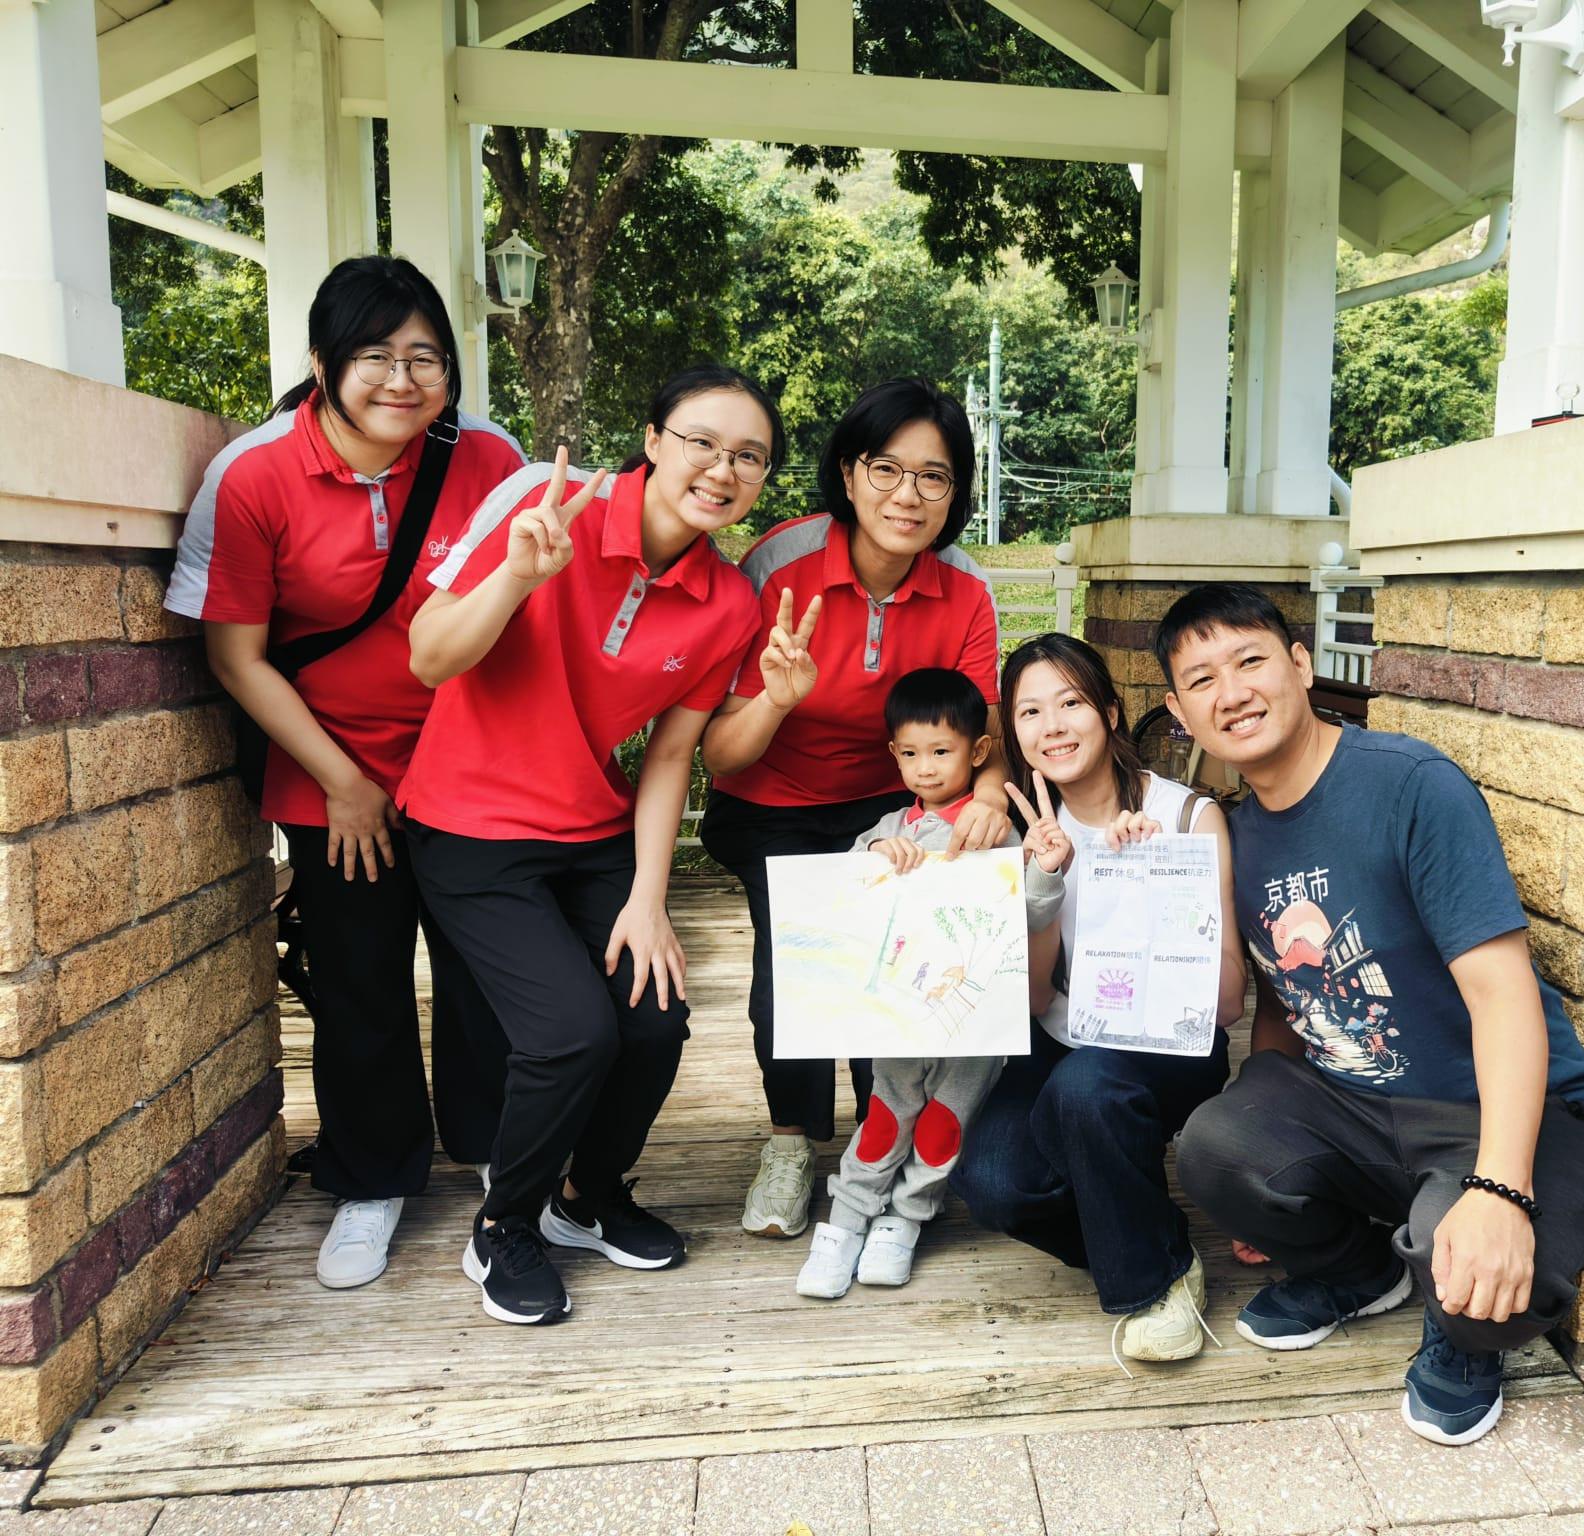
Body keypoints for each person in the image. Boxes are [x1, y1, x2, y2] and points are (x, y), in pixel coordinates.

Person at [1159, 584, 1584, 1446]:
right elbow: (1285, 1005)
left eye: (1251, 660)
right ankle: (1359, 1273)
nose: (1233, 692)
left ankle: (1459, 1334)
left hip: (1508, 1109)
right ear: (1181, 713)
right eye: (1203, 679)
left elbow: (1503, 994)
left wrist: (1499, 1187)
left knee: (1481, 1284)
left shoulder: (1410, 786)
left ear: (1301, 665)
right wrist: (1264, 1174)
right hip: (1361, 1108)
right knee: (1214, 1148)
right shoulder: (1239, 836)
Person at [164, 255, 523, 1291]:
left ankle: (500, 1159)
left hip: (468, 770)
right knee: (359, 978)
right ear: (322, 362)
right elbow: (237, 657)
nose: (402, 380)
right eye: (375, 355)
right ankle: (372, 1179)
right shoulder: (256, 475)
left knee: (485, 975)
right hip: (331, 773)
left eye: (426, 357)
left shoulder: (489, 460)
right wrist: (345, 782)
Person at [401, 365, 775, 1325]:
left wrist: (650, 899)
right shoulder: (545, 502)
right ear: (652, 440)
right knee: (571, 1033)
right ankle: (505, 1225)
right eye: (701, 442)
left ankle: (587, 1195)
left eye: (749, 457)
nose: (722, 470)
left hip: (592, 829)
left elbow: (671, 756)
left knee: (653, 1017)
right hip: (469, 824)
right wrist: (518, 577)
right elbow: (430, 656)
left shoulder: (728, 602)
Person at [699, 378, 1013, 1242]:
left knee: (907, 961)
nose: (908, 495)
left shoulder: (966, 589)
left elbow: (983, 734)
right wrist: (777, 697)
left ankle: (889, 1138)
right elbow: (720, 753)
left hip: (896, 797)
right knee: (798, 965)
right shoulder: (779, 565)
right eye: (886, 469)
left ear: (956, 492)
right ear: (848, 472)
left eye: (934, 476)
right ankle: (791, 1144)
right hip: (772, 799)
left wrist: (988, 799)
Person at [950, 634, 1245, 1365]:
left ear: (1110, 712)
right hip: (1062, 1039)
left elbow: (1229, 1004)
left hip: (1170, 1048)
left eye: (1071, 703)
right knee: (991, 1182)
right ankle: (1160, 1243)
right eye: (1029, 712)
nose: (1052, 726)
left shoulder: (1186, 817)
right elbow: (1033, 1000)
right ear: (1013, 732)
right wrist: (1044, 885)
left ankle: (1154, 1287)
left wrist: (1156, 881)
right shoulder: (1021, 834)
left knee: (1084, 1088)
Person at [793, 668, 1061, 1299]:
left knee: (945, 1121)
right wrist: (872, 861)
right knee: (886, 1115)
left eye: (941, 751)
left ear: (978, 750)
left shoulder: (996, 831)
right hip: (899, 1015)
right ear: (893, 754)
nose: (926, 768)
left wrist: (1044, 871)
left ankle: (907, 1217)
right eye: (910, 754)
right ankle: (848, 1217)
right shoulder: (887, 830)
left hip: (976, 1021)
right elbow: (844, 901)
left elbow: (1033, 914)